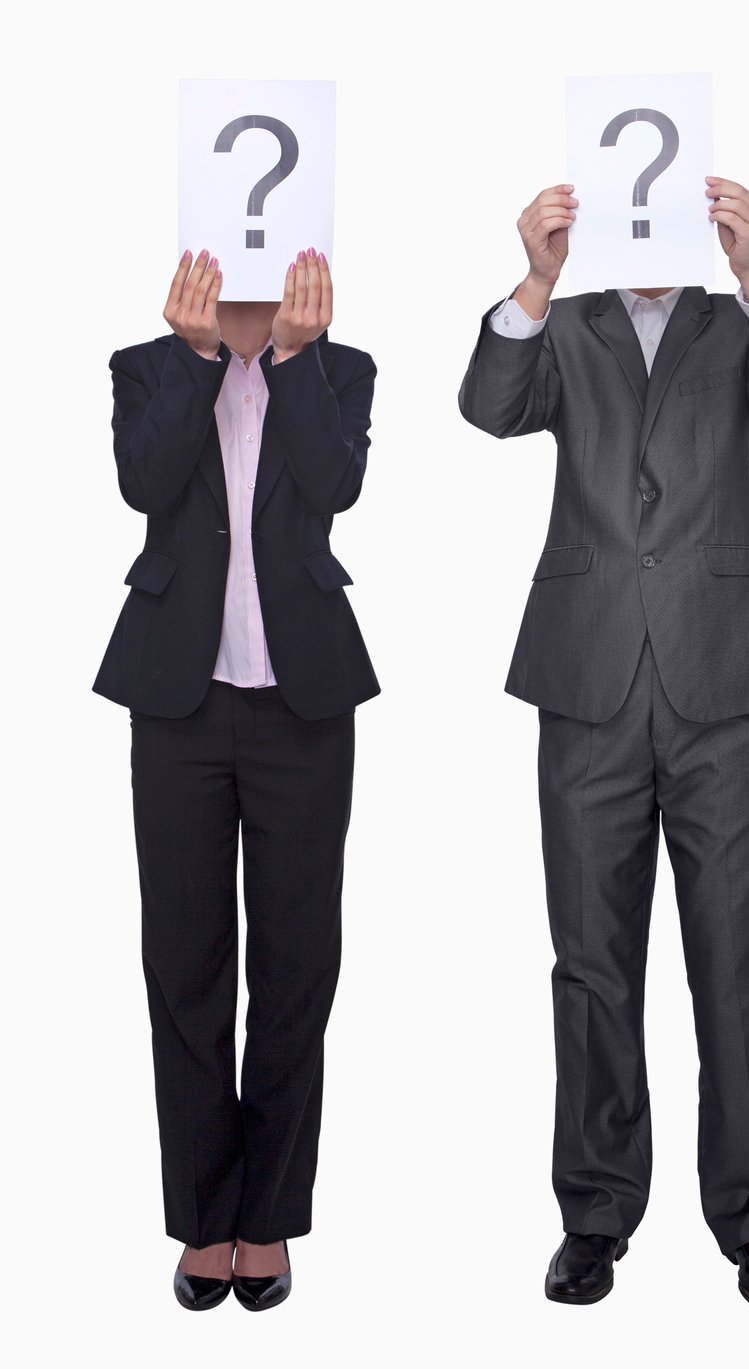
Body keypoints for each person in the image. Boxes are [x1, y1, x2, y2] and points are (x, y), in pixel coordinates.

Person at [457, 176, 749, 1309]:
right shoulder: (562, 319)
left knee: (734, 953)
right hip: (588, 675)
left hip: (722, 672)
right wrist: (535, 271)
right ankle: (595, 1212)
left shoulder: (735, 318)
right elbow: (487, 405)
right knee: (591, 962)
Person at [99, 248, 375, 1312]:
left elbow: (335, 487)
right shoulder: (145, 363)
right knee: (185, 962)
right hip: (177, 698)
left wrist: (295, 363)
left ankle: (268, 1218)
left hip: (302, 700)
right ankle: (205, 1219)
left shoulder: (341, 367)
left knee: (299, 965)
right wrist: (195, 354)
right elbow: (145, 484)